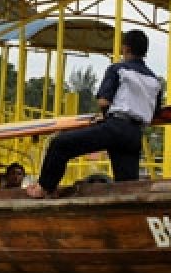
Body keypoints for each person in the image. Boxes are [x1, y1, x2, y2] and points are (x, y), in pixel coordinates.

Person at [27, 29, 162, 198]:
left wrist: (107, 117)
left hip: (116, 126)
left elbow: (103, 101)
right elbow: (155, 112)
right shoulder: (154, 80)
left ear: (125, 49)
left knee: (60, 145)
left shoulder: (118, 69)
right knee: (127, 184)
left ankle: (44, 188)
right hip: (135, 134)